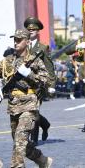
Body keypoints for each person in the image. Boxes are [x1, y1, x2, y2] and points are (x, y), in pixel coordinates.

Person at [0, 29, 53, 167]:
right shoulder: (7, 61)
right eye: (14, 39)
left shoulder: (35, 61)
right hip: (13, 106)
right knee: (22, 144)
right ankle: (43, 160)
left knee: (19, 141)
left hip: (29, 105)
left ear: (27, 42)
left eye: (19, 40)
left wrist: (29, 74)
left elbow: (47, 80)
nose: (16, 42)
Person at [24, 17, 56, 145]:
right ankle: (45, 124)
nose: (31, 31)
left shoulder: (43, 48)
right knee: (27, 110)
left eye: (33, 30)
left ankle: (34, 139)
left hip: (38, 84)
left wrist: (52, 84)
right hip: (24, 84)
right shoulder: (22, 45)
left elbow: (49, 67)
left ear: (38, 32)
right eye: (29, 29)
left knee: (34, 111)